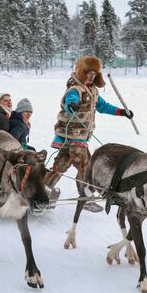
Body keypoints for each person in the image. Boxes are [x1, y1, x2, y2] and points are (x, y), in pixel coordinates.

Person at [45, 55, 134, 195]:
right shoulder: (75, 89)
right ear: (82, 72)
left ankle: (42, 191)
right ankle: (85, 196)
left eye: (94, 73)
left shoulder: (92, 90)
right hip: (74, 135)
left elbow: (103, 106)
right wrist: (72, 105)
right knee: (86, 167)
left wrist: (121, 112)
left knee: (60, 166)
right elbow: (70, 100)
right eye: (88, 73)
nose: (91, 76)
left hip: (73, 137)